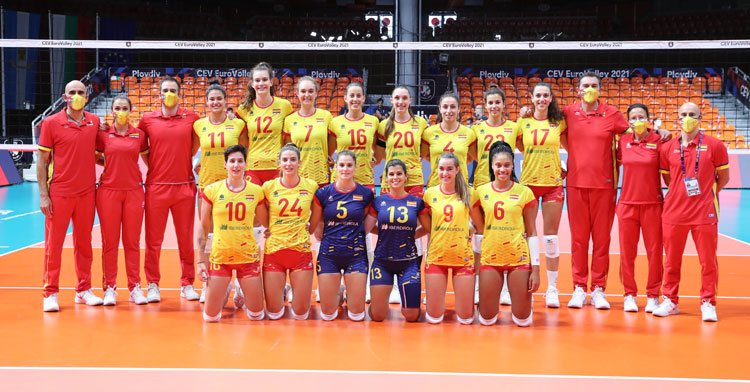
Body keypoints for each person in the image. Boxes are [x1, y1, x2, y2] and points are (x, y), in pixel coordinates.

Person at [653, 102, 729, 322]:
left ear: (700, 117)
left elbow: (723, 178)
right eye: (683, 114)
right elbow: (668, 179)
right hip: (674, 213)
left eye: (692, 115)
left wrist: (706, 193)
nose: (687, 118)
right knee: (671, 261)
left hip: (704, 212)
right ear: (677, 118)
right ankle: (670, 300)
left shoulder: (715, 145)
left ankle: (708, 302)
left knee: (707, 262)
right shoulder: (668, 147)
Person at [560, 72, 630, 309]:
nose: (589, 88)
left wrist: (658, 134)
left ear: (600, 89)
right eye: (585, 85)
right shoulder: (568, 113)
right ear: (578, 90)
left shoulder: (612, 114)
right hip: (576, 184)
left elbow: (632, 137)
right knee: (578, 240)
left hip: (605, 185)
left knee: (601, 240)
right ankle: (579, 287)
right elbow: (548, 129)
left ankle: (598, 288)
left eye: (594, 85)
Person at [37, 80, 102, 311]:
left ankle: (83, 290)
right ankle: (50, 292)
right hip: (60, 193)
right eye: (72, 92)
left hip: (86, 193)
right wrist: (44, 195)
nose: (76, 95)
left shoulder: (94, 122)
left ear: (87, 96)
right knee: (53, 246)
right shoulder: (51, 123)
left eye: (80, 92)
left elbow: (96, 154)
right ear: (65, 97)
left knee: (84, 245)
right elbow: (42, 163)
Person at [138, 75, 201, 303]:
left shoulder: (192, 118)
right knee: (154, 241)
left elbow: (195, 146)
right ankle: (153, 284)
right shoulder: (147, 120)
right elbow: (140, 148)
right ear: (159, 94)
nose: (169, 93)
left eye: (173, 90)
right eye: (165, 90)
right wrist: (155, 167)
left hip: (184, 187)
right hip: (156, 188)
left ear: (179, 93)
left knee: (185, 240)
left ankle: (187, 284)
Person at [196, 145, 269, 322]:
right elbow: (204, 227)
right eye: (232, 161)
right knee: (210, 318)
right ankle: (225, 288)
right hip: (221, 258)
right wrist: (200, 261)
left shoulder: (256, 191)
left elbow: (265, 222)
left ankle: (242, 287)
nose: (236, 165)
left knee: (256, 315)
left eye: (240, 161)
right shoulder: (212, 190)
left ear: (245, 164)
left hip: (248, 257)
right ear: (225, 165)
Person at [470, 141, 539, 327]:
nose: (503, 169)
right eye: (498, 165)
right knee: (487, 320)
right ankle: (484, 301)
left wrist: (536, 270)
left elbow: (532, 232)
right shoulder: (481, 192)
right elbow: (479, 229)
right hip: (491, 257)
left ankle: (523, 305)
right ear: (492, 166)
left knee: (523, 321)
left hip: (518, 257)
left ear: (512, 165)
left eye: (507, 165)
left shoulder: (525, 192)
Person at [194, 80, 249, 303]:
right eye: (212, 99)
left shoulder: (237, 126)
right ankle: (209, 284)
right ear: (206, 102)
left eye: (219, 98)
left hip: (235, 188)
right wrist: (197, 164)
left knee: (238, 234)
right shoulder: (199, 125)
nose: (215, 102)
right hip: (207, 187)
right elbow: (192, 150)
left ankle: (240, 285)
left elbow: (245, 154)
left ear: (226, 101)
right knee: (208, 237)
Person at [95, 95, 149, 306]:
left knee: (132, 242)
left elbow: (147, 158)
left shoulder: (139, 135)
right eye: (117, 108)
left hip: (134, 191)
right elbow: (94, 156)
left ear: (131, 109)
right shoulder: (104, 134)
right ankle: (110, 288)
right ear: (112, 110)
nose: (121, 111)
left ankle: (135, 287)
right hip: (108, 191)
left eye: (125, 107)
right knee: (110, 243)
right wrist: (109, 165)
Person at [516, 83, 566, 309]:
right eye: (538, 95)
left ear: (551, 98)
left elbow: (572, 146)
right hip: (528, 184)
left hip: (553, 184)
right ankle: (524, 281)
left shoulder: (559, 122)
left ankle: (552, 288)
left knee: (551, 238)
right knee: (528, 236)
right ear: (532, 98)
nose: (542, 99)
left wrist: (566, 166)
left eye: (546, 95)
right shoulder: (523, 121)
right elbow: (518, 145)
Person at [310, 151, 374, 321]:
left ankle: (350, 288)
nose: (345, 169)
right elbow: (318, 223)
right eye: (342, 165)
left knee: (356, 315)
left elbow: (364, 221)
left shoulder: (366, 194)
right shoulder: (323, 193)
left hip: (355, 254)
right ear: (336, 167)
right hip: (329, 254)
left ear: (355, 167)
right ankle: (336, 290)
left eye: (349, 165)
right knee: (328, 315)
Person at [365, 159, 430, 322]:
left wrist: (408, 234)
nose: (395, 177)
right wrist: (384, 232)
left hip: (408, 262)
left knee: (412, 316)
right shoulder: (379, 201)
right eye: (391, 174)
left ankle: (409, 304)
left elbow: (428, 228)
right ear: (385, 178)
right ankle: (377, 303)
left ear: (406, 176)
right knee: (378, 316)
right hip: (382, 261)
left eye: (399, 174)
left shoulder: (417, 202)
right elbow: (367, 227)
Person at [472, 88, 520, 306]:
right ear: (485, 104)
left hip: (508, 187)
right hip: (482, 187)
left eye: (497, 102)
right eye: (489, 102)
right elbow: (474, 154)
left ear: (503, 104)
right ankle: (477, 286)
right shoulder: (476, 129)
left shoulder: (514, 127)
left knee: (507, 236)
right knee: (481, 237)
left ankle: (506, 290)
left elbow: (527, 148)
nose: (493, 106)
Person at [262, 143, 320, 321]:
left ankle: (287, 287)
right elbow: (262, 214)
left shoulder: (311, 186)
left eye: (293, 160)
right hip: (274, 251)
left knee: (301, 314)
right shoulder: (268, 187)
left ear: (299, 163)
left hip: (300, 252)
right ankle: (283, 288)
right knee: (274, 314)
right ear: (279, 163)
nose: (289, 164)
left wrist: (310, 226)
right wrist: (269, 228)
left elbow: (317, 213)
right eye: (285, 160)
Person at [616, 104, 664, 313]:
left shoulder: (659, 140)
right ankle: (629, 295)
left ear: (648, 119)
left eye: (641, 116)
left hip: (653, 205)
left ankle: (653, 295)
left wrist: (664, 132)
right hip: (627, 205)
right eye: (633, 117)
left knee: (655, 253)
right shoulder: (623, 141)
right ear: (628, 122)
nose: (637, 120)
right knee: (627, 253)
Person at [422, 153, 476, 325]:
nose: (445, 173)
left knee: (466, 319)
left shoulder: (469, 193)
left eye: (449, 169)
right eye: (441, 169)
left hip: (463, 257)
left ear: (458, 170)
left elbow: (481, 224)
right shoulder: (429, 194)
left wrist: (471, 229)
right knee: (434, 318)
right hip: (437, 256)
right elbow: (427, 226)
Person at [237, 62, 293, 184]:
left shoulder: (285, 106)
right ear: (252, 84)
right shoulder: (244, 109)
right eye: (257, 80)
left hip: (277, 166)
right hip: (253, 167)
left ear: (271, 82)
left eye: (264, 80)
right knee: (254, 203)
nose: (261, 83)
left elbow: (288, 138)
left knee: (274, 203)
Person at [375, 86, 429, 197]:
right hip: (391, 178)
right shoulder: (383, 125)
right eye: (397, 98)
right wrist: (395, 158)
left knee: (414, 214)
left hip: (414, 179)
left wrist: (416, 158)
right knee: (388, 214)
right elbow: (379, 155)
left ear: (410, 100)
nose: (401, 102)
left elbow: (425, 149)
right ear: (391, 100)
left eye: (404, 98)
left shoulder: (421, 123)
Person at [283, 76, 333, 189]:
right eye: (303, 91)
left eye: (311, 91)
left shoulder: (326, 116)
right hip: (298, 177)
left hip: (321, 176)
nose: (307, 95)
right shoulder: (289, 120)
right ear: (297, 93)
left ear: (316, 93)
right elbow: (288, 149)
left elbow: (332, 144)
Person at [328, 82, 379, 191]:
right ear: (345, 98)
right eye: (352, 96)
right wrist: (334, 164)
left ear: (363, 98)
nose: (355, 99)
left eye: (358, 96)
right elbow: (329, 152)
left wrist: (375, 159)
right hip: (340, 180)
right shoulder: (335, 122)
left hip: (364, 179)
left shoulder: (373, 121)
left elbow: (376, 148)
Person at [422, 92, 477, 188]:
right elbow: (425, 156)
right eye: (445, 107)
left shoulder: (469, 133)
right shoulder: (429, 133)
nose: (449, 110)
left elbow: (471, 157)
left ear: (459, 109)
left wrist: (456, 163)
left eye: (452, 107)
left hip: (461, 186)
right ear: (440, 109)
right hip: (436, 186)